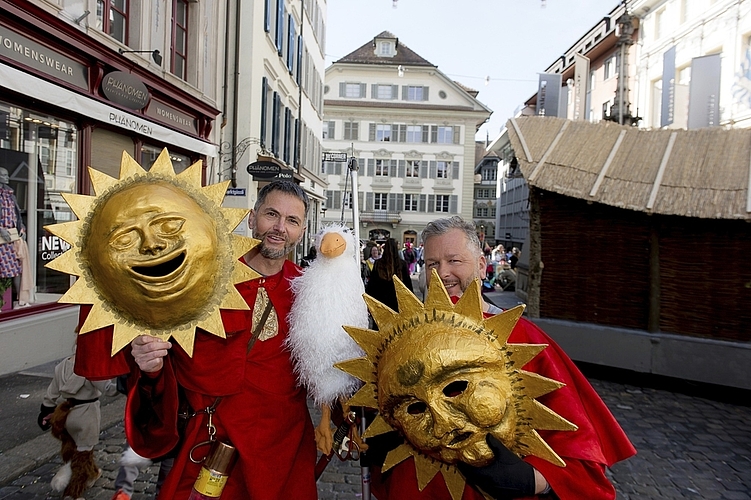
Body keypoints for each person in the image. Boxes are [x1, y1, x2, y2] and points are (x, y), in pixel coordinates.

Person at [76, 180, 318, 499]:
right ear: (251, 217)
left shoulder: (310, 292)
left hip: (283, 450)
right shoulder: (202, 276)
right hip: (209, 445)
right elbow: (167, 359)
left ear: (301, 230)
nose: (279, 228)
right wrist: (150, 363)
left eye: (292, 221)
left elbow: (328, 368)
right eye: (271, 214)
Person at [366, 216, 636, 500]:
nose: (442, 274)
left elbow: (578, 446)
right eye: (432, 264)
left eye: (454, 261)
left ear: (482, 266)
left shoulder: (525, 339)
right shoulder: (401, 340)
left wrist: (534, 481)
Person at [38, 348, 117, 499]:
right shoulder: (89, 366)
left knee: (75, 448)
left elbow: (51, 394)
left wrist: (46, 411)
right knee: (83, 455)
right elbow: (108, 389)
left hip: (67, 414)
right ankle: (72, 494)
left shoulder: (62, 365)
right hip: (86, 415)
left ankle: (93, 473)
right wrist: (127, 384)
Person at [0, 166, 26, 308]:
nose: (7, 178)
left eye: (7, 175)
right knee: (2, 269)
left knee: (15, 269)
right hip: (1, 238)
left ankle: (18, 299)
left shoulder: (10, 194)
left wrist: (21, 228)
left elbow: (17, 215)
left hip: (12, 237)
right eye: (4, 175)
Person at [365, 237, 413, 312]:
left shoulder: (378, 263)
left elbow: (372, 285)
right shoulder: (402, 264)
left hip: (381, 301)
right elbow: (408, 284)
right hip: (398, 302)